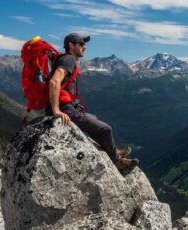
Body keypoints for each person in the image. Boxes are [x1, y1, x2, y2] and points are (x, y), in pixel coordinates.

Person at [47, 33, 138, 170]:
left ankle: (111, 149)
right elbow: (54, 81)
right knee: (106, 129)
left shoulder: (66, 59)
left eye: (85, 44)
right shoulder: (69, 60)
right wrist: (56, 110)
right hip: (66, 110)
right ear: (71, 45)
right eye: (81, 44)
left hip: (68, 107)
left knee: (93, 118)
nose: (85, 47)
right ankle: (117, 161)